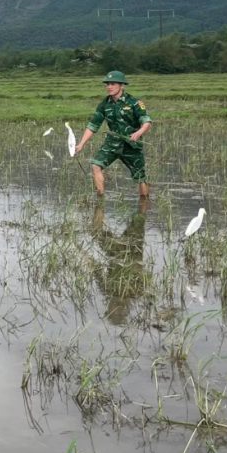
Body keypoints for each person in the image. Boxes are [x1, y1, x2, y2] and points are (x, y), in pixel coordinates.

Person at [74, 71, 152, 197]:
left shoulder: (134, 102)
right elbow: (93, 125)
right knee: (95, 166)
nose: (109, 87)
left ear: (122, 85)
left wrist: (139, 133)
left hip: (131, 145)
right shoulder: (104, 104)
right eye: (108, 84)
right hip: (112, 143)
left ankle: (144, 203)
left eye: (113, 84)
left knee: (140, 177)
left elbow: (146, 122)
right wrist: (81, 144)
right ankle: (100, 200)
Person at [91, 198, 150, 326]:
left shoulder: (110, 291)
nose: (110, 307)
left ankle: (100, 197)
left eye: (109, 310)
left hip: (118, 251)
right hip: (130, 250)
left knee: (96, 232)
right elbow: (142, 273)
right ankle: (144, 197)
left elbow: (96, 270)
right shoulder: (135, 294)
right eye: (111, 311)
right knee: (139, 219)